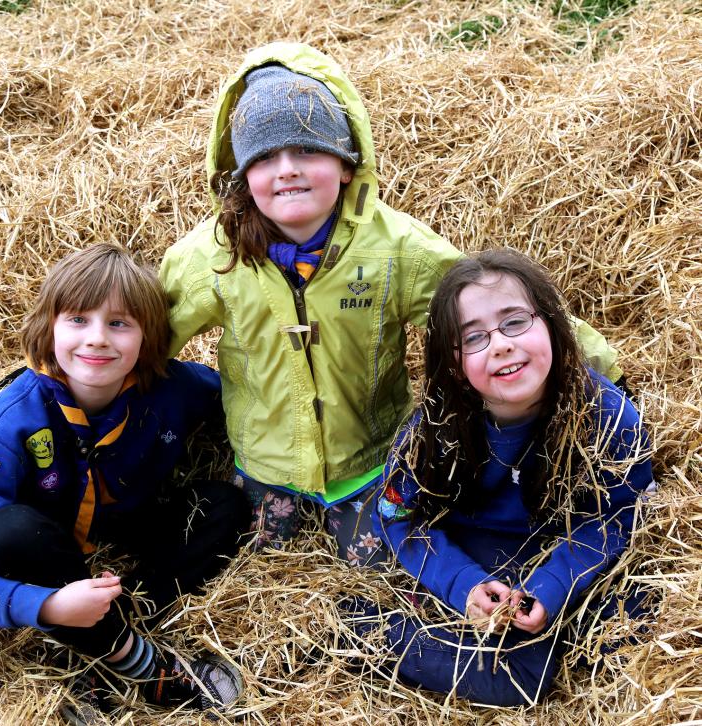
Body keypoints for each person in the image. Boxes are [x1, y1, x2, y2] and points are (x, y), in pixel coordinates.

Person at [159, 42, 622, 567]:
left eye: (307, 150)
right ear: (243, 177)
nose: (287, 169)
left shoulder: (397, 247)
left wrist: (597, 365)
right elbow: (148, 334)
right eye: (264, 157)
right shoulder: (210, 254)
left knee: (387, 568)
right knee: (254, 558)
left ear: (348, 164)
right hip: (266, 462)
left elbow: (485, 305)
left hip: (372, 460)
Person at [0, 244, 250, 721]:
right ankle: (136, 660)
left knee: (222, 507)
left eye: (119, 323)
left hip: (126, 523)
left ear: (149, 338)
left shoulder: (176, 387)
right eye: (77, 320)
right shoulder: (4, 428)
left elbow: (243, 401)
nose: (96, 340)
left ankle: (112, 629)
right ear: (47, 328)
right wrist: (47, 605)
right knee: (5, 533)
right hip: (44, 548)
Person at [350, 248, 653, 706]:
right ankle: (368, 629)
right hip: (472, 551)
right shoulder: (431, 432)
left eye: (515, 322)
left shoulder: (608, 417)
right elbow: (395, 515)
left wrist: (554, 587)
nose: (500, 344)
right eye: (473, 338)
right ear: (453, 363)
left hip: (563, 548)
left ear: (550, 322)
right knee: (520, 680)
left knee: (631, 626)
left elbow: (621, 513)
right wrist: (464, 584)